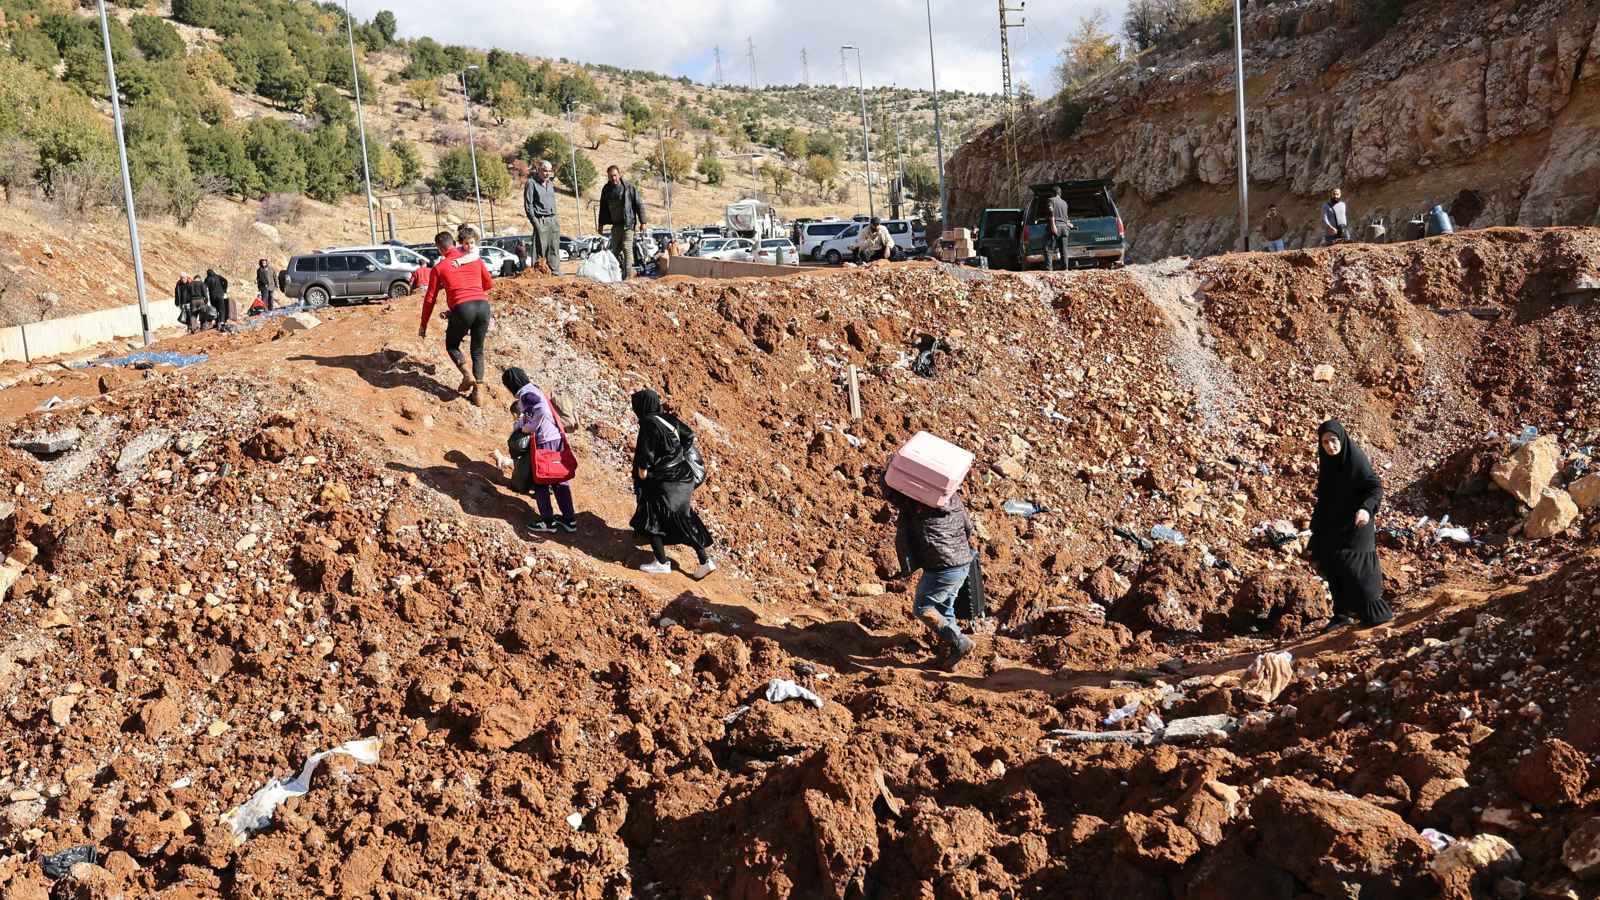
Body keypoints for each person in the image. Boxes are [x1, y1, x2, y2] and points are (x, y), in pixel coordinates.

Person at [882, 475, 978, 669]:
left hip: (941, 568)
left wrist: (892, 474)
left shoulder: (916, 505)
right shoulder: (954, 499)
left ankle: (960, 642)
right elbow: (968, 528)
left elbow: (891, 493)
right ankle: (948, 657)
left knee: (923, 608)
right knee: (944, 610)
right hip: (961, 564)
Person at [1310, 420, 1393, 630]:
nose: (1330, 446)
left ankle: (1376, 612)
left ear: (1342, 439)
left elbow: (1375, 487)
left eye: (1333, 440)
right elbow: (1326, 498)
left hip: (1359, 520)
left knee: (1356, 565)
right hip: (1336, 522)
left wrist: (1366, 509)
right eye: (1325, 442)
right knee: (1330, 560)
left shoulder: (1355, 460)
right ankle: (1342, 614)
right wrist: (1317, 526)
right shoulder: (1329, 463)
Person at [629, 389, 715, 579]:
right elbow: (689, 435)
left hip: (666, 480)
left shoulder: (649, 423)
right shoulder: (667, 418)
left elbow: (645, 454)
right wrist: (676, 455)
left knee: (650, 515)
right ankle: (705, 561)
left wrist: (643, 475)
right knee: (684, 516)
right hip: (683, 475)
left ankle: (661, 562)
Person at [420, 227, 494, 406]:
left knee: (452, 345)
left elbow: (430, 299)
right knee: (477, 350)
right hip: (483, 306)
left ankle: (467, 375)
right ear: (454, 243)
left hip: (462, 308)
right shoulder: (475, 260)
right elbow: (488, 284)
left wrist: (423, 324)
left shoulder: (439, 268)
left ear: (439, 248)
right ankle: (478, 392)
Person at [502, 368, 577, 533]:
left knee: (541, 480)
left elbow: (541, 410)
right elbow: (534, 412)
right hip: (556, 437)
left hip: (545, 441)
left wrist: (527, 428)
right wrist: (522, 424)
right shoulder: (534, 388)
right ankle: (569, 520)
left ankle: (547, 521)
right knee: (559, 479)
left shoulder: (526, 394)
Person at [598, 165, 647, 280]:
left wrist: (643, 222)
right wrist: (600, 225)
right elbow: (603, 208)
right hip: (616, 225)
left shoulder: (629, 188)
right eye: (611, 176)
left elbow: (639, 204)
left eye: (615, 175)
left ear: (619, 175)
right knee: (614, 251)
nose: (613, 178)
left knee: (626, 247)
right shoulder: (606, 189)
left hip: (628, 224)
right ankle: (614, 276)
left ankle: (628, 276)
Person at [522, 160, 562, 275]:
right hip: (540, 219)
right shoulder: (531, 183)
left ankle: (555, 271)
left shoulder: (550, 183)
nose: (547, 173)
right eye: (544, 170)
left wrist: (555, 219)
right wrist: (535, 221)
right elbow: (528, 205)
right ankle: (539, 273)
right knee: (540, 248)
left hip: (553, 219)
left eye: (549, 171)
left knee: (554, 246)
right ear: (539, 170)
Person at [1047, 186, 1074, 271]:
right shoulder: (1064, 203)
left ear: (1053, 193)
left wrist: (1053, 226)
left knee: (1048, 249)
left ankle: (1049, 269)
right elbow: (1065, 217)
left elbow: (1051, 212)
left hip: (1056, 226)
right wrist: (1068, 224)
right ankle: (1065, 269)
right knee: (1064, 250)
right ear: (1060, 193)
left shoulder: (1051, 200)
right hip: (1064, 228)